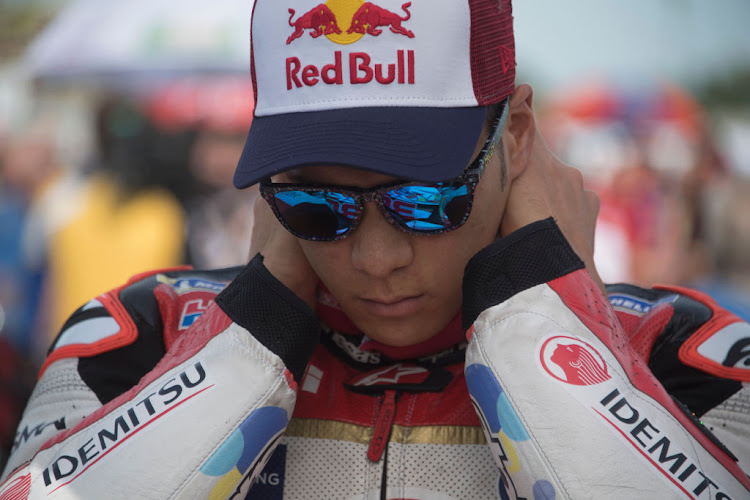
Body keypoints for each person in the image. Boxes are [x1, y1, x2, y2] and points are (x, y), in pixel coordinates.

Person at [2, 1, 749, 498]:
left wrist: (554, 330)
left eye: (425, 199)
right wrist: (248, 338)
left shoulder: (689, 354)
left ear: (515, 138)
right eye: (312, 203)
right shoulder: (138, 332)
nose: (376, 257)